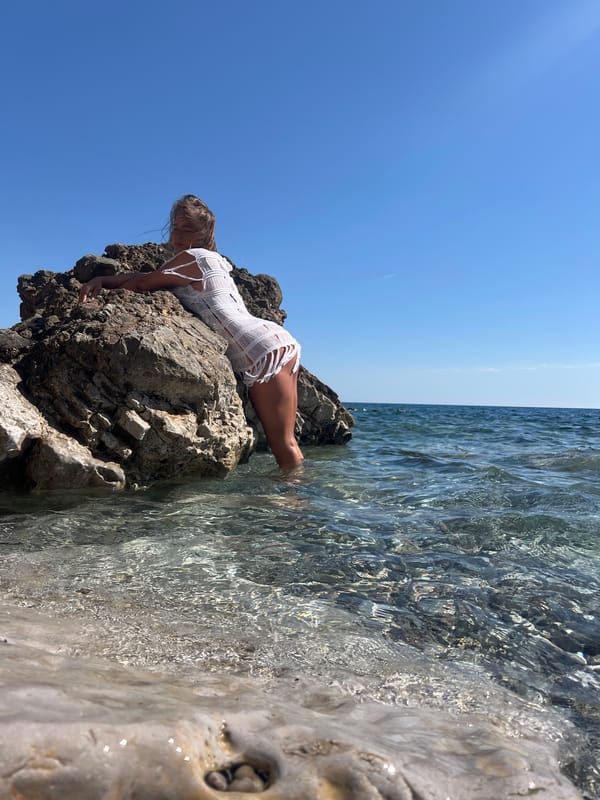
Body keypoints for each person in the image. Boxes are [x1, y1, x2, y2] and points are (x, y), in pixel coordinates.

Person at [79, 195, 304, 469]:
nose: (176, 235)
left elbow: (141, 283)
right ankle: (297, 503)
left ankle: (290, 508)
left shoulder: (192, 258)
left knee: (283, 444)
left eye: (186, 229)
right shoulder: (217, 260)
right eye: (174, 227)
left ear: (203, 233)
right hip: (275, 342)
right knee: (288, 443)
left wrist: (102, 280)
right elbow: (149, 278)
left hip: (260, 351)